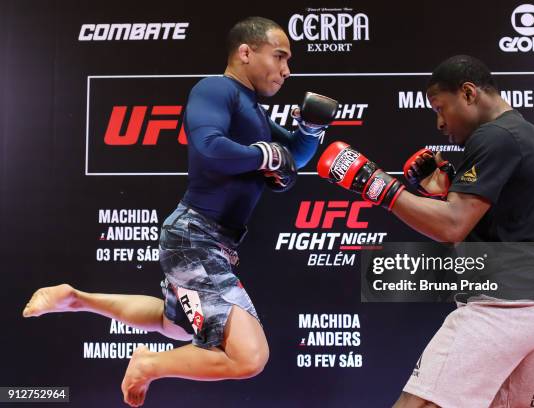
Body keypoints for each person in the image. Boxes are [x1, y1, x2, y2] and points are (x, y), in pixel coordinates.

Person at [22, 16, 335, 407]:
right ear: (245, 52)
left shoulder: (252, 110)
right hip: (195, 240)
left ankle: (75, 298)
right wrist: (261, 154)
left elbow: (292, 158)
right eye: (279, 57)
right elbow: (207, 145)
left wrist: (309, 131)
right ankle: (148, 365)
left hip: (205, 239)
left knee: (171, 325)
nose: (287, 70)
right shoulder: (216, 90)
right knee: (250, 357)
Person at [317, 55, 534, 408]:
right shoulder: (527, 134)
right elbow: (500, 219)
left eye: (441, 108)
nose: (439, 123)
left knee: (418, 405)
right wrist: (444, 192)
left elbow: (452, 224)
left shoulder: (494, 137)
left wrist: (374, 184)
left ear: (468, 93)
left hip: (506, 304)